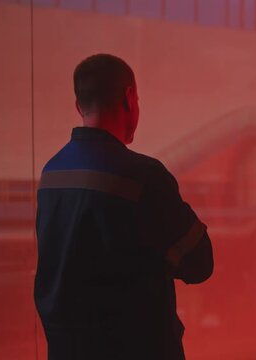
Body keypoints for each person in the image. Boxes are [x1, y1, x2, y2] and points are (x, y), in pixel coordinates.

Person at [34, 54, 213, 360]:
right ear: (129, 98)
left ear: (79, 106)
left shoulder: (52, 173)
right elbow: (200, 263)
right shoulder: (144, 176)